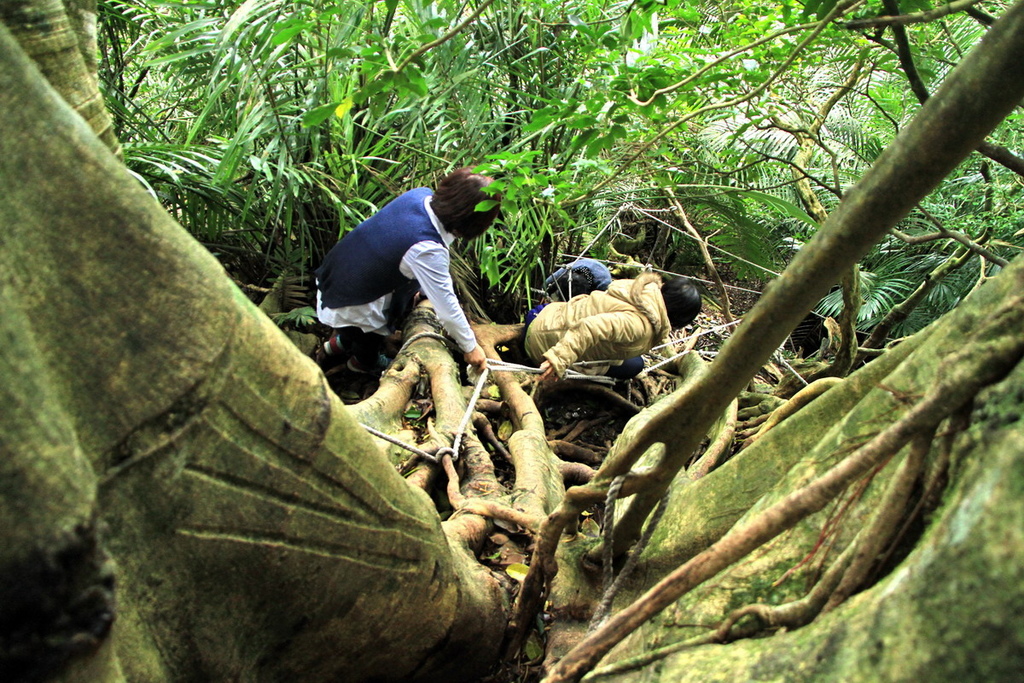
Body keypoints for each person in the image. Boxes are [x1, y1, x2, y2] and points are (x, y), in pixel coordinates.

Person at [315, 167, 500, 374]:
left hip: (335, 278)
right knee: (370, 340)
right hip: (352, 302)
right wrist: (471, 347)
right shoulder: (428, 248)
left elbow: (395, 252)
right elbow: (447, 308)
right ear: (474, 221)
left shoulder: (419, 196)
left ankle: (335, 346)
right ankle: (359, 366)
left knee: (358, 331)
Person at [524, 273, 701, 381]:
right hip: (540, 344)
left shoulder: (642, 291)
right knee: (634, 365)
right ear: (679, 317)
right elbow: (590, 327)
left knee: (633, 360)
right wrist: (557, 359)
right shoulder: (639, 325)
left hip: (542, 314)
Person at [543, 257, 613, 301]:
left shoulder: (604, 285)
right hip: (579, 266)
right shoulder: (561, 274)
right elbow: (544, 288)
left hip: (597, 279)